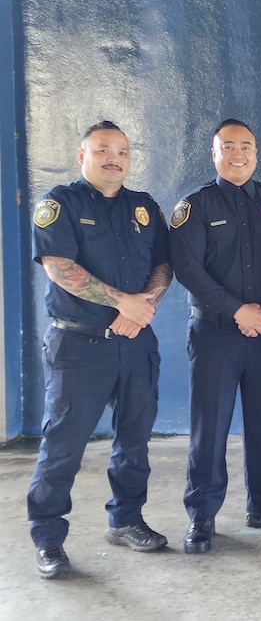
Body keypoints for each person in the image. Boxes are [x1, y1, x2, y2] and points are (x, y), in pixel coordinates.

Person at [28, 121, 172, 579]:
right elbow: (58, 267)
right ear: (82, 155)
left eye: (123, 152)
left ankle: (126, 519)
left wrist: (143, 307)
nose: (115, 159)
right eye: (104, 150)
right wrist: (121, 302)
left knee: (135, 439)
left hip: (135, 343)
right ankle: (48, 539)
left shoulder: (144, 207)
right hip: (79, 345)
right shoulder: (59, 204)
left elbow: (163, 265)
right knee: (64, 446)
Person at [169, 118, 261, 554]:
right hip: (214, 334)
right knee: (208, 429)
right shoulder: (195, 207)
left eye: (245, 146)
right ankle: (202, 516)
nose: (237, 154)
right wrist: (237, 309)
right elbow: (188, 269)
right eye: (227, 147)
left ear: (256, 152)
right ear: (214, 154)